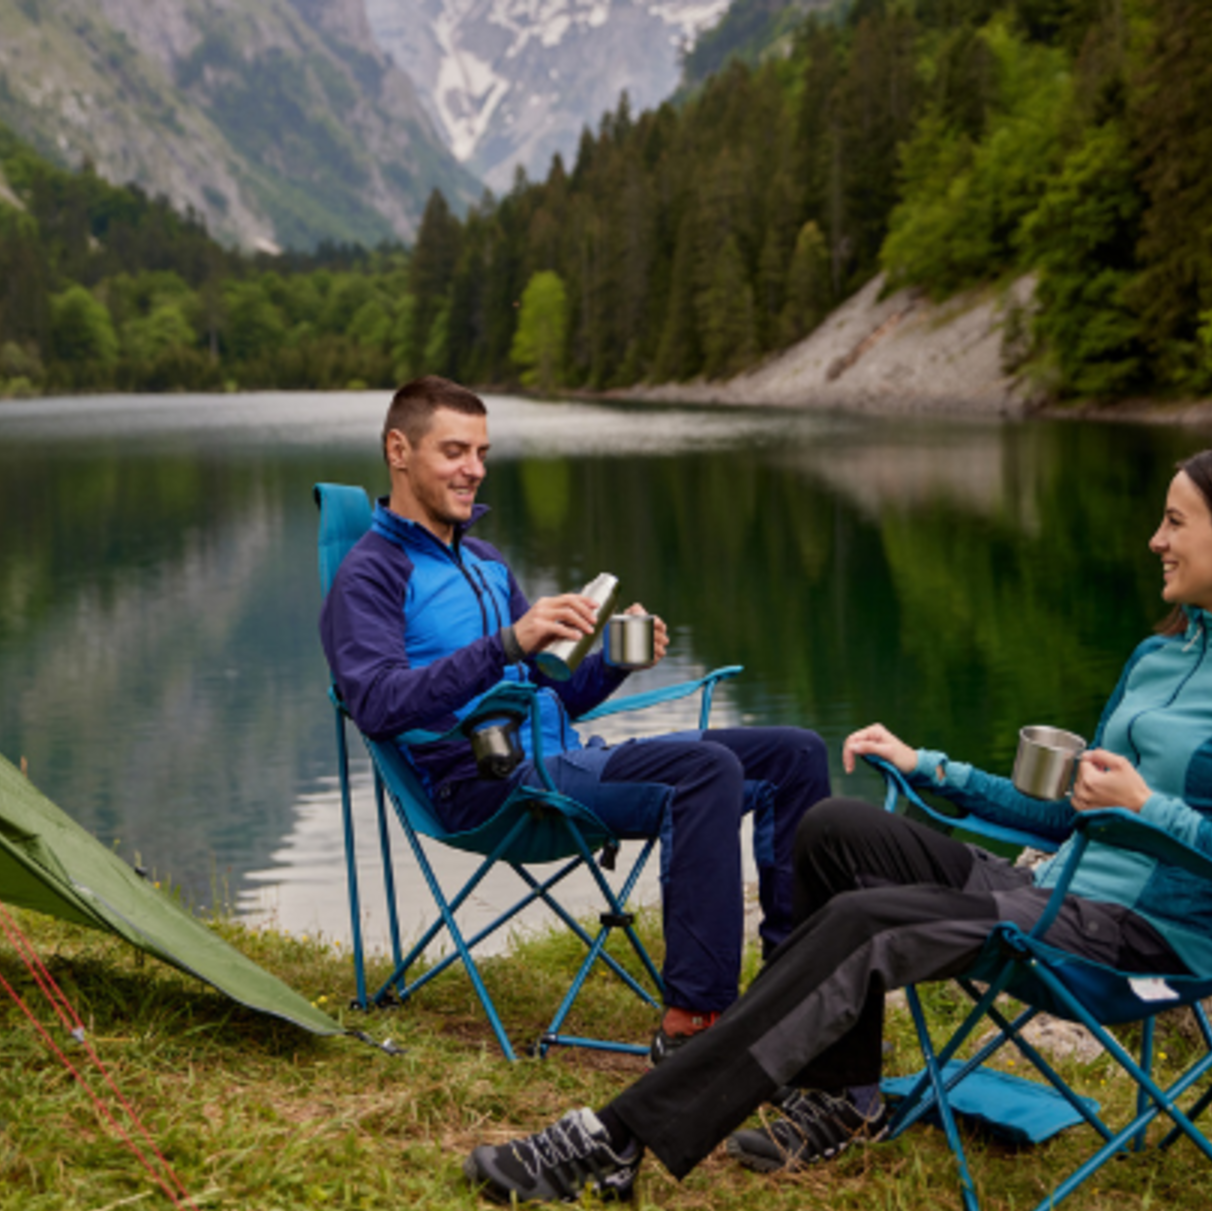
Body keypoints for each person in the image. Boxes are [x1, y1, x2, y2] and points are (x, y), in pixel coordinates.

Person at [461, 440, 1212, 1203]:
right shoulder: (1159, 654)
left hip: (1134, 939)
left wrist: (1153, 810)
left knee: (867, 921)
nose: (1156, 539)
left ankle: (616, 1139)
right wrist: (930, 767)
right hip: (1057, 892)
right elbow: (1060, 814)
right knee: (833, 829)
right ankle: (844, 1098)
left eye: (1176, 523)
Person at [320, 376, 830, 1055]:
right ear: (398, 451)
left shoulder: (484, 560)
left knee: (796, 753)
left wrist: (615, 660)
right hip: (484, 785)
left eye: (482, 452)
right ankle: (697, 1028)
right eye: (454, 451)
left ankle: (798, 992)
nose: (474, 469)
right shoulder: (371, 574)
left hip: (560, 761)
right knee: (703, 772)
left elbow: (549, 690)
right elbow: (376, 703)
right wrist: (507, 643)